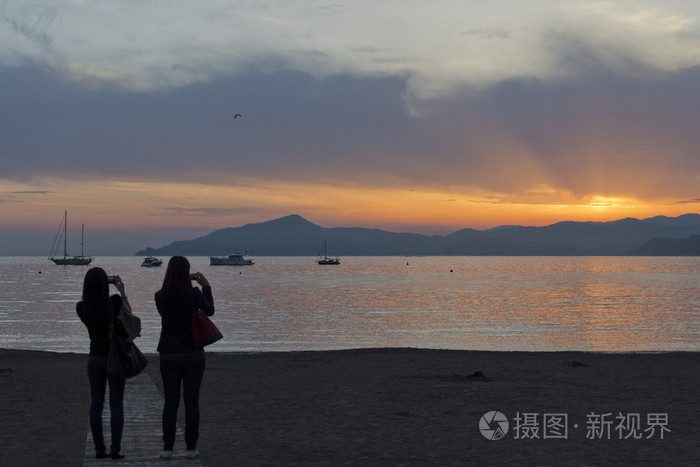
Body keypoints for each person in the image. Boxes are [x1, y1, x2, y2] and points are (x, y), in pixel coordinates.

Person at [155, 256, 215, 460]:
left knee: (170, 403)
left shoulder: (160, 296)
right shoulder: (194, 294)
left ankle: (167, 448)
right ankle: (191, 448)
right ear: (187, 272)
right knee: (192, 402)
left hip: (169, 355)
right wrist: (205, 286)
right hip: (193, 356)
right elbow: (210, 311)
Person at [76, 267, 128, 460]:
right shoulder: (114, 302)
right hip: (114, 358)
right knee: (116, 405)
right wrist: (121, 291)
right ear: (105, 283)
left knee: (96, 405)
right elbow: (128, 314)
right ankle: (115, 450)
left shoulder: (81, 307)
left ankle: (99, 449)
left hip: (94, 358)